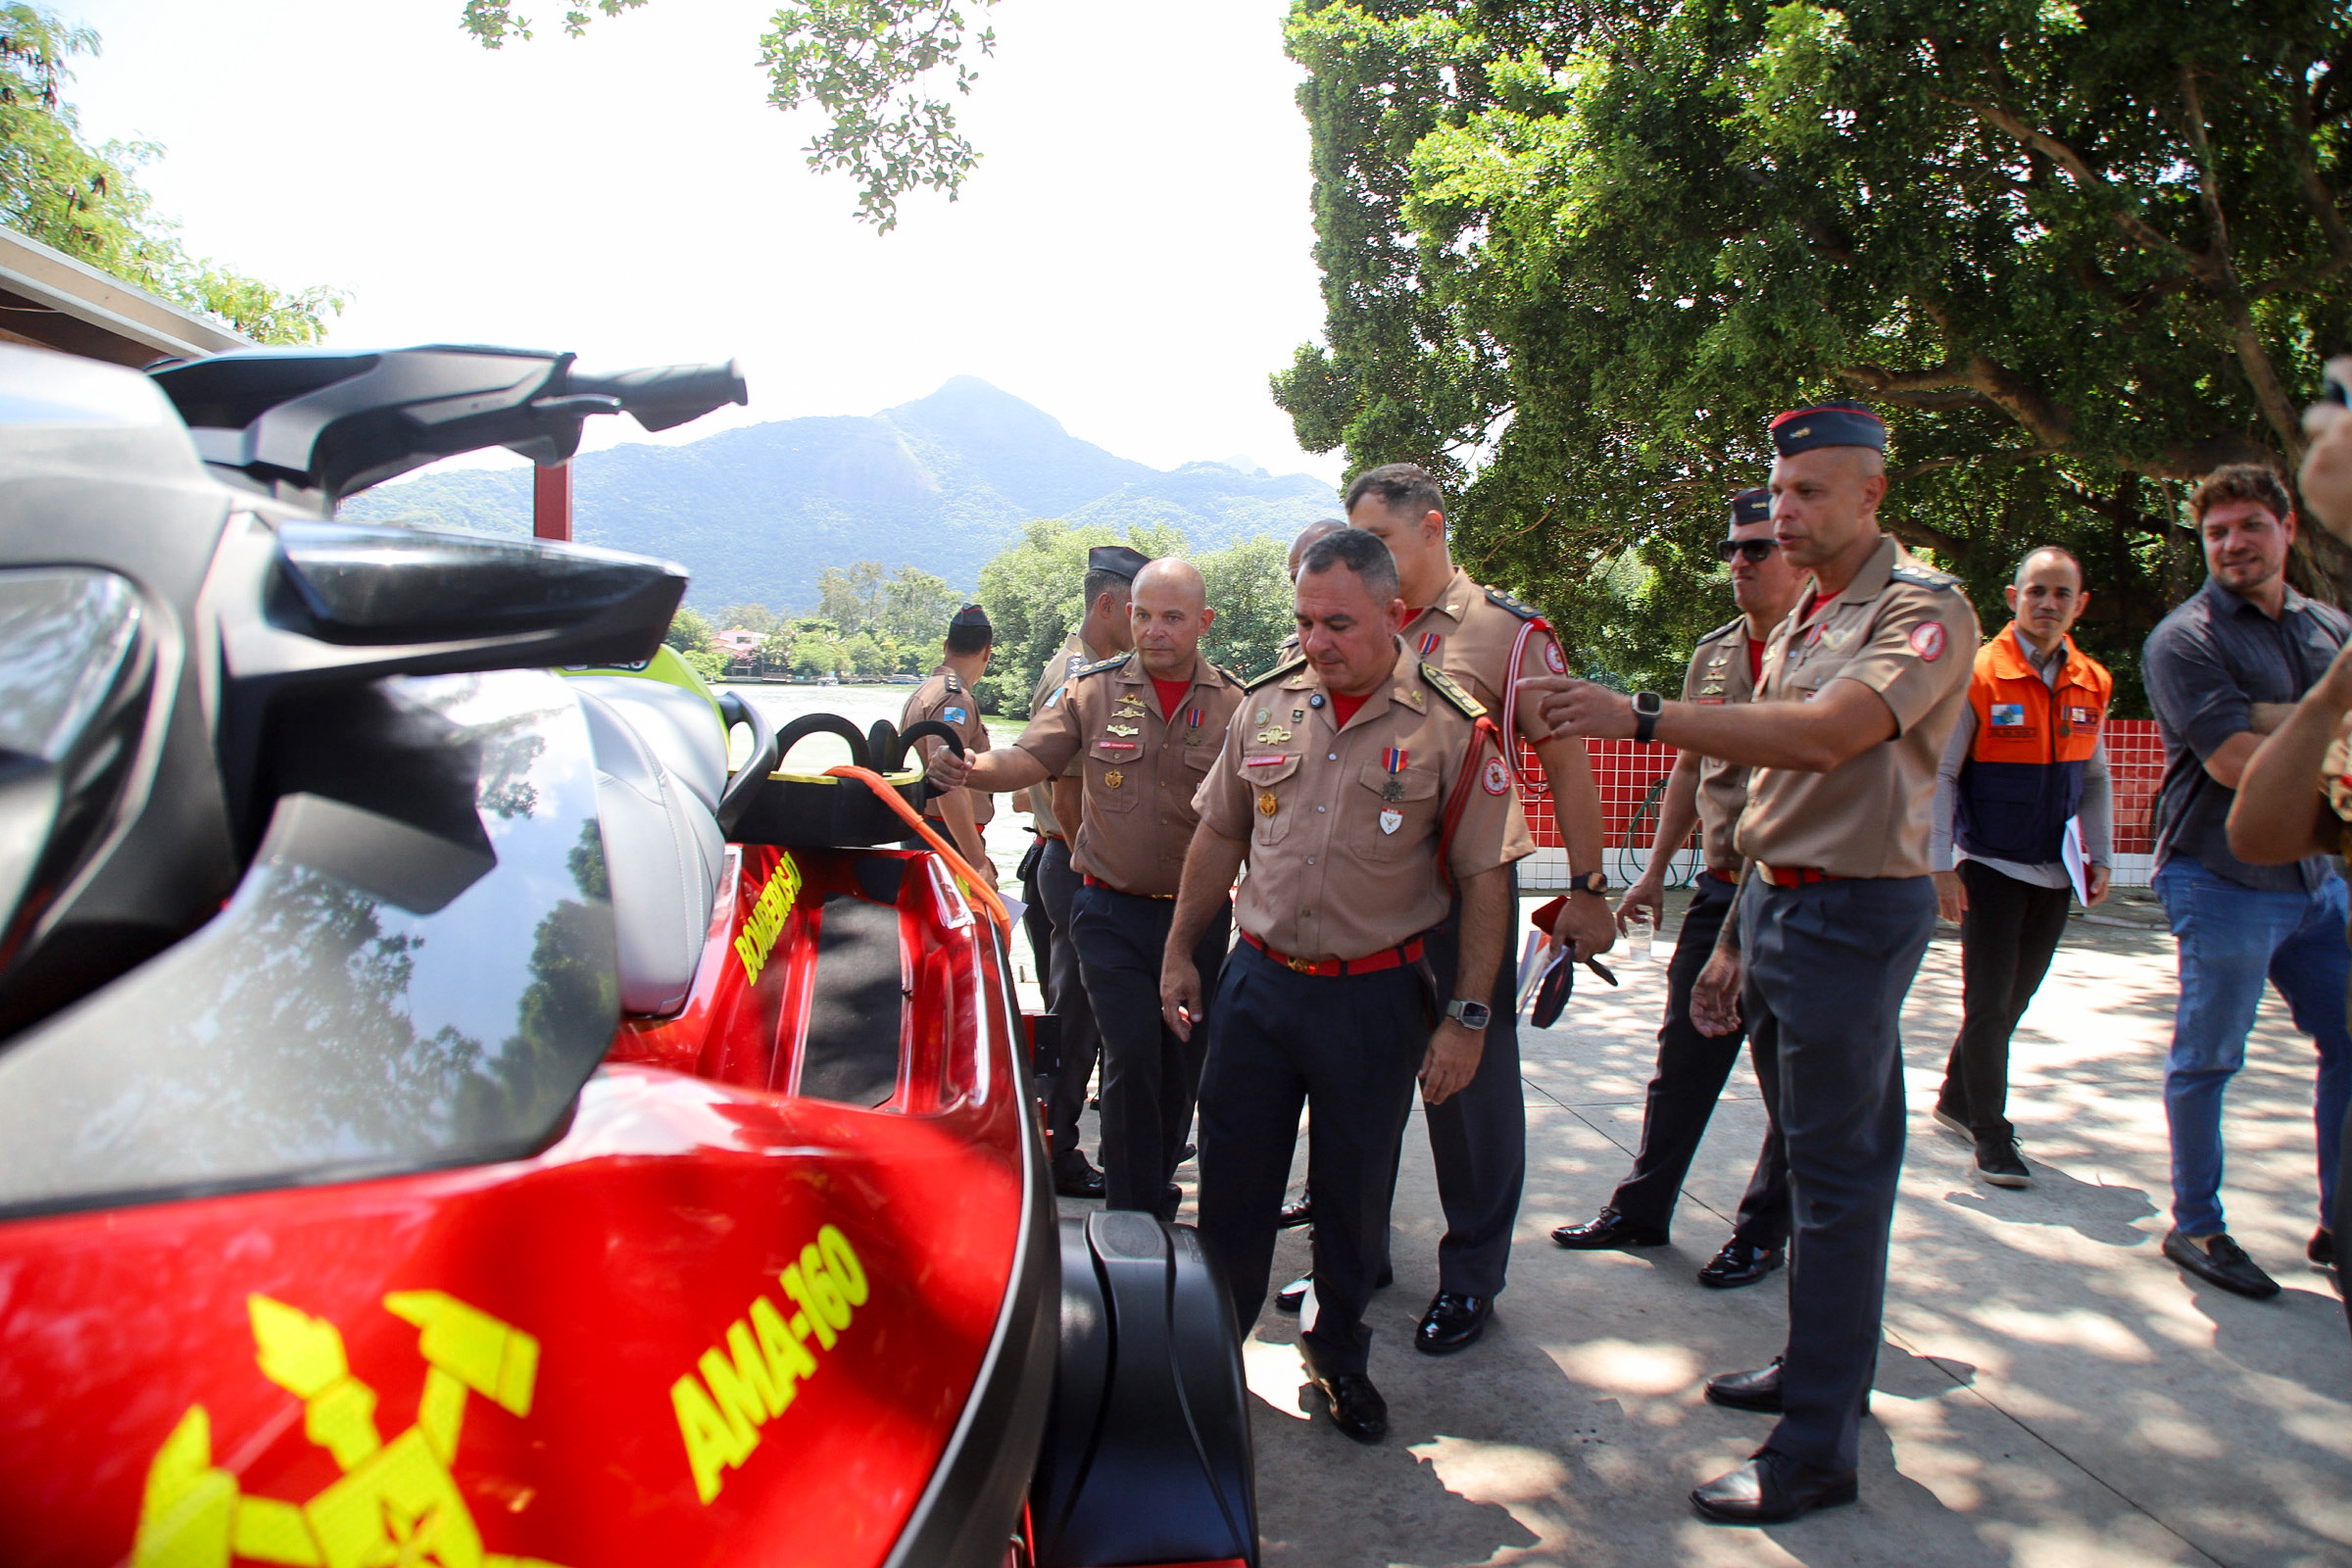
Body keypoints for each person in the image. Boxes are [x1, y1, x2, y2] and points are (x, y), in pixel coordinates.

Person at [1529, 399, 1978, 1524]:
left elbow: (1828, 737)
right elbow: (1770, 796)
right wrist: (1733, 933)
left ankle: (1816, 1445)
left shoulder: (1921, 611)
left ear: (1874, 494)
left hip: (1851, 918)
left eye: (1810, 491)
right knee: (1817, 1171)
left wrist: (1640, 716)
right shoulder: (1810, 613)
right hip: (1780, 908)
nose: (1784, 513)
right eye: (1778, 493)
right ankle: (1821, 1373)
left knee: (1833, 1185)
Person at [1161, 528, 1532, 1445]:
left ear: (1394, 617)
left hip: (1373, 1000)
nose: (1316, 643)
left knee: (1353, 1198)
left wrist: (1468, 1019)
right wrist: (1180, 951)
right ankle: (1215, 1353)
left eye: (1337, 624)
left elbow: (1487, 880)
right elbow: (1219, 834)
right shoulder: (1270, 706)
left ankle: (1338, 1354)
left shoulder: (1452, 728)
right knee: (1234, 1188)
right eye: (1303, 622)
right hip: (1257, 987)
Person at [1323, 463, 1614, 1355]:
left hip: (1466, 899)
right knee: (1357, 1090)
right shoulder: (1357, 624)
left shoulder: (1506, 634)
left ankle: (1471, 1279)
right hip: (1365, 901)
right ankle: (1354, 1259)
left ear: (1433, 527)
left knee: (1470, 1094)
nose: (1364, 555)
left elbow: (1565, 766)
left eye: (1380, 537)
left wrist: (1590, 890)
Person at [928, 560, 1245, 1219]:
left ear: (1203, 623)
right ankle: (1129, 1216)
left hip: (1197, 918)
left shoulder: (1238, 705)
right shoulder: (1092, 692)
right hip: (1108, 911)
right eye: (1142, 615)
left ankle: (1156, 1187)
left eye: (1172, 617)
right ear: (1126, 615)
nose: (1154, 630)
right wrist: (972, 766)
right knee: (1130, 1056)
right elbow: (1032, 758)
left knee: (1181, 1062)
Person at [1550, 488, 1800, 1289]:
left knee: (1789, 1075)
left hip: (1793, 892)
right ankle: (1643, 1208)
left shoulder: (1824, 656)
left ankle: (1763, 1232)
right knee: (1684, 1055)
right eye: (1733, 548)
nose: (1739, 562)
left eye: (1757, 548)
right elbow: (1689, 764)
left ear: (1797, 550)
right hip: (1724, 885)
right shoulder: (1717, 654)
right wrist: (1655, 875)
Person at [2140, 464, 2352, 1298]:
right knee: (2209, 1057)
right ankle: (2196, 1226)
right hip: (2218, 875)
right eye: (2216, 532)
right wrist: (2322, 731)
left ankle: (2341, 1221)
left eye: (2248, 527)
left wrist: (2282, 725)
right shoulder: (2183, 639)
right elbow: (2233, 762)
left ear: (2287, 529)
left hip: (2319, 882)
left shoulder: (2328, 629)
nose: (2232, 545)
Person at [1928, 546, 2114, 1190]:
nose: (2048, 604)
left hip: (2057, 871)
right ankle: (1990, 1133)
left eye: (2062, 594)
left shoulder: (2093, 679)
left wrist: (2100, 854)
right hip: (1989, 866)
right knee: (1986, 1002)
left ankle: (1957, 1096)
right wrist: (1942, 865)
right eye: (2037, 591)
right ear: (2014, 597)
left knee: (2015, 999)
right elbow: (1944, 774)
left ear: (2079, 605)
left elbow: (2095, 779)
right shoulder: (1978, 673)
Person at [1025, 543, 1148, 1200]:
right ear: (1108, 605)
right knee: (1074, 1025)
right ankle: (1056, 1153)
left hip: (1067, 860)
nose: (1147, 625)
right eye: (1138, 610)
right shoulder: (1081, 672)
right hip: (1076, 863)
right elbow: (1069, 796)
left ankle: (1056, 1141)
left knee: (1079, 1019)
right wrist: (1095, 871)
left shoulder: (1087, 664)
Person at [901, 604, 996, 876]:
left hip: (927, 830)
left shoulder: (927, 690)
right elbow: (948, 783)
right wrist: (976, 860)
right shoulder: (954, 698)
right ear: (987, 653)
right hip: (944, 836)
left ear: (945, 645)